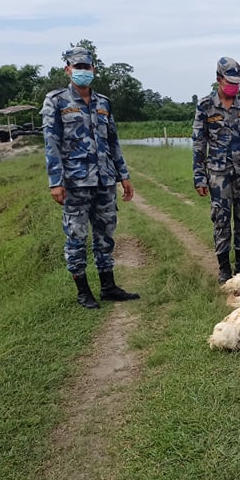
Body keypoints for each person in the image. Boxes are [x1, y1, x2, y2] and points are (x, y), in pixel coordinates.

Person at [42, 45, 140, 309]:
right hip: (75, 182)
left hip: (104, 180)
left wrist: (124, 176)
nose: (83, 71)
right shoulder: (57, 101)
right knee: (76, 236)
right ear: (68, 69)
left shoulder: (103, 103)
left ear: (93, 69)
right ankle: (83, 291)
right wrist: (56, 181)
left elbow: (113, 142)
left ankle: (108, 286)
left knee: (105, 235)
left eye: (87, 67)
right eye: (78, 67)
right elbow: (51, 143)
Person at [193, 57, 240, 283]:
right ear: (218, 79)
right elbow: (199, 144)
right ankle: (224, 267)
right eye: (230, 81)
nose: (234, 86)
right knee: (221, 220)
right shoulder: (205, 106)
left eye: (237, 82)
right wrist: (199, 177)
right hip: (218, 175)